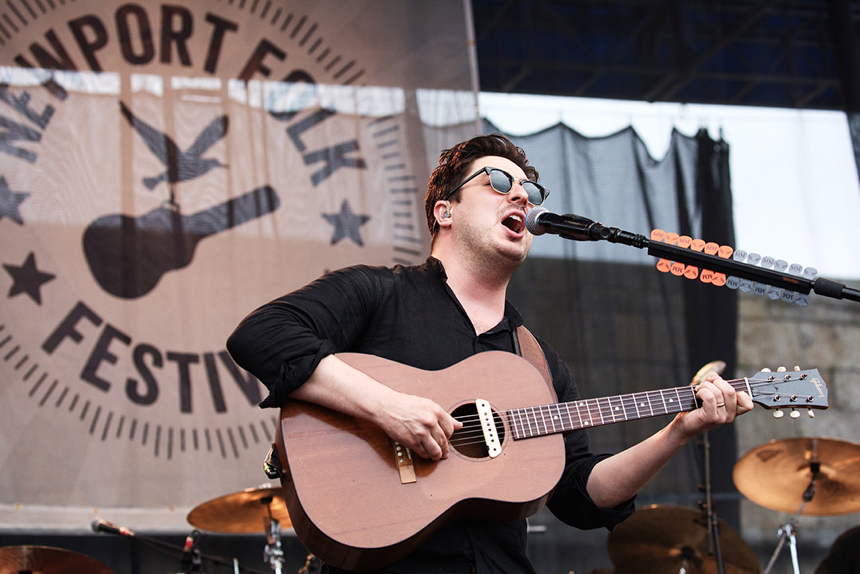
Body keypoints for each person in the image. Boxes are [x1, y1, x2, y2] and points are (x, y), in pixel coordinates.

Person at [226, 133, 753, 574]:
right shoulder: (378, 293)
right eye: (498, 183)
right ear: (445, 209)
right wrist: (388, 408)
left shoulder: (538, 363)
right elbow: (263, 335)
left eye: (528, 189)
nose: (520, 196)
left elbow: (581, 496)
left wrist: (679, 430)